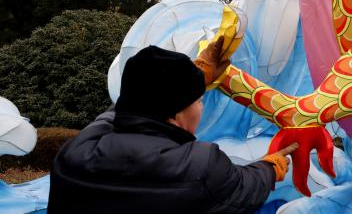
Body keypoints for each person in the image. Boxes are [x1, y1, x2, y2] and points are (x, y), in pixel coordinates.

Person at [48, 40, 298, 213]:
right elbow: (244, 186)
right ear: (176, 114)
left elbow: (121, 109)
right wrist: (270, 167)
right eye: (198, 101)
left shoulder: (75, 153)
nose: (202, 107)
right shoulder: (199, 165)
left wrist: (193, 79)